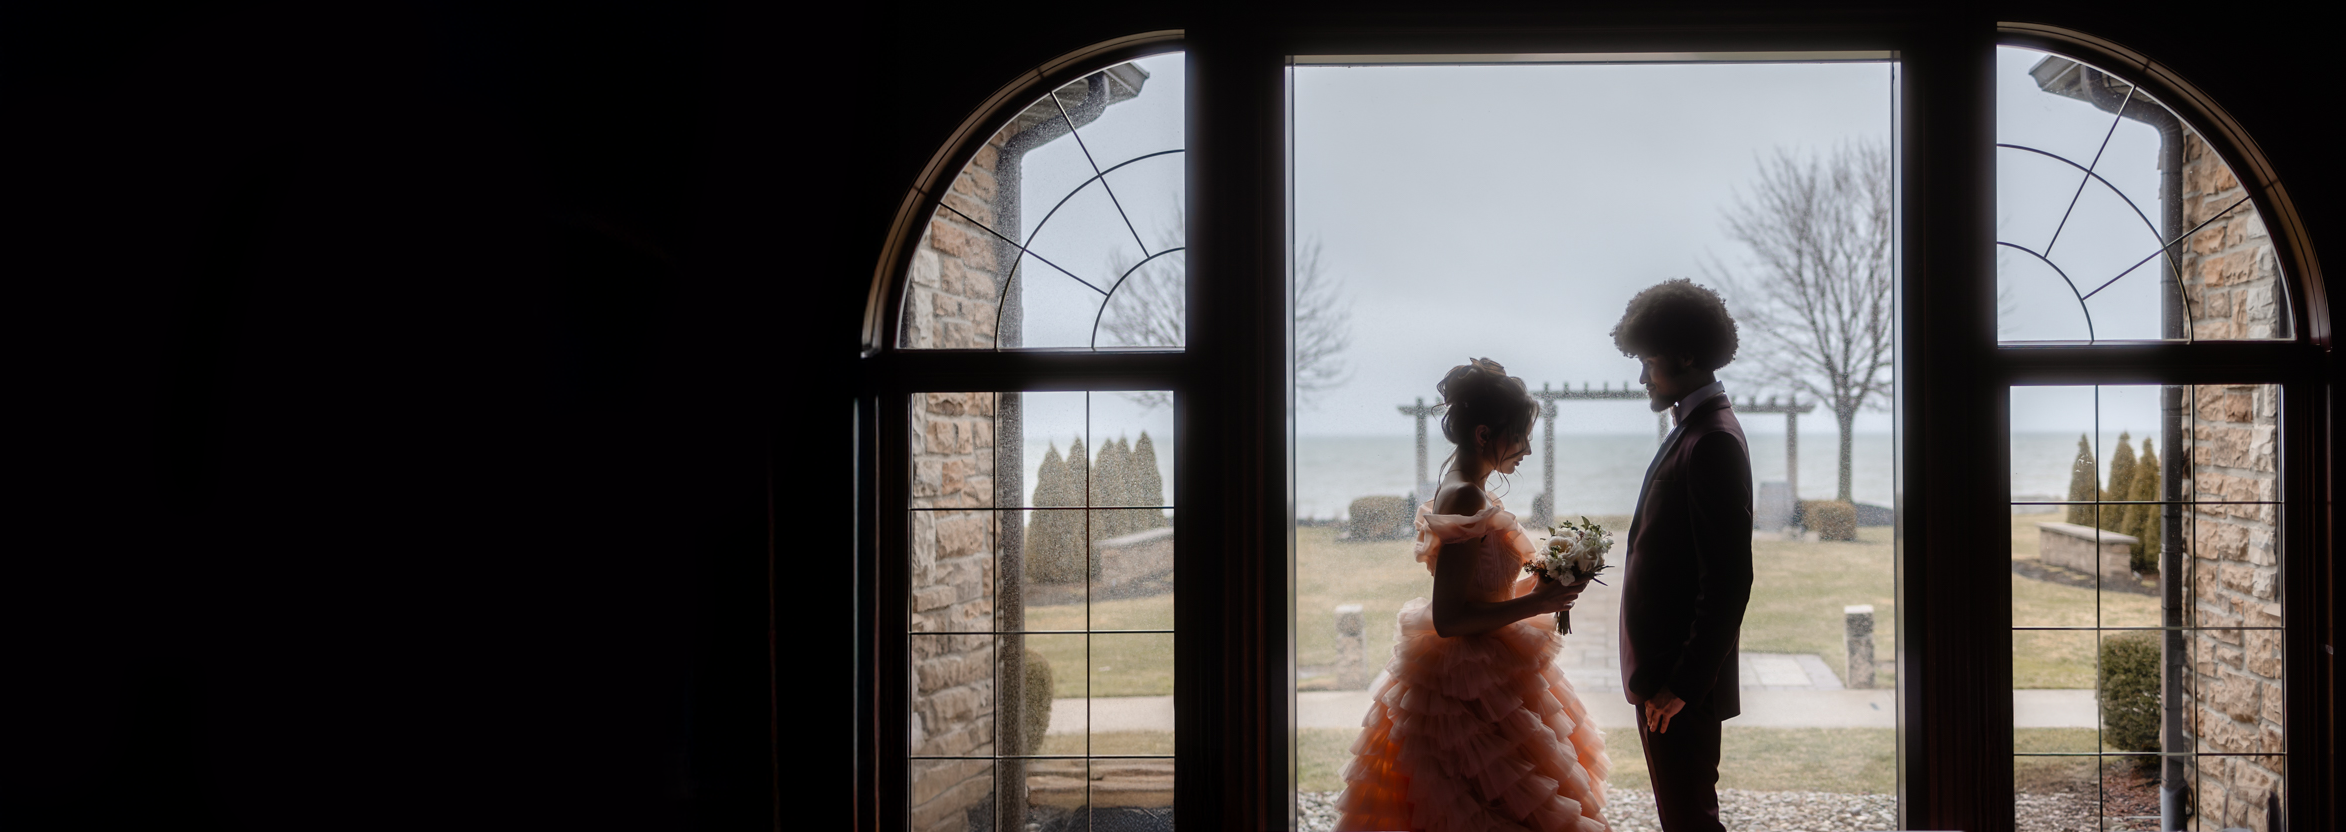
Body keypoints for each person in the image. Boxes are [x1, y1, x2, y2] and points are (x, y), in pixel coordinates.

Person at [1335, 358, 1612, 832]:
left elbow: (1485, 592)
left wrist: (1543, 585)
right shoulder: (1464, 497)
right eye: (1520, 435)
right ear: (1485, 434)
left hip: (1495, 659)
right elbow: (1450, 618)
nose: (1526, 448)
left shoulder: (1476, 494)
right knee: (1476, 802)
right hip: (1465, 677)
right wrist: (1538, 604)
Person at [1611, 279, 1754, 832]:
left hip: (1677, 685)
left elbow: (1728, 580)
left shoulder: (1712, 438)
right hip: (1664, 679)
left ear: (1686, 354)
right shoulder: (1693, 429)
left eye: (1648, 360)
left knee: (1691, 822)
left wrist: (1681, 688)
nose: (1643, 376)